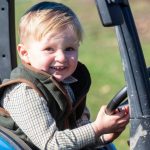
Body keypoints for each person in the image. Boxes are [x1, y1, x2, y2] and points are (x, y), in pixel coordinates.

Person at [0, 1, 129, 150]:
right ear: (24, 53)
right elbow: (52, 145)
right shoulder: (24, 92)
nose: (61, 57)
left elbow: (77, 132)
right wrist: (97, 128)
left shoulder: (68, 84)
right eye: (49, 49)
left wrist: (104, 135)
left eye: (69, 49)